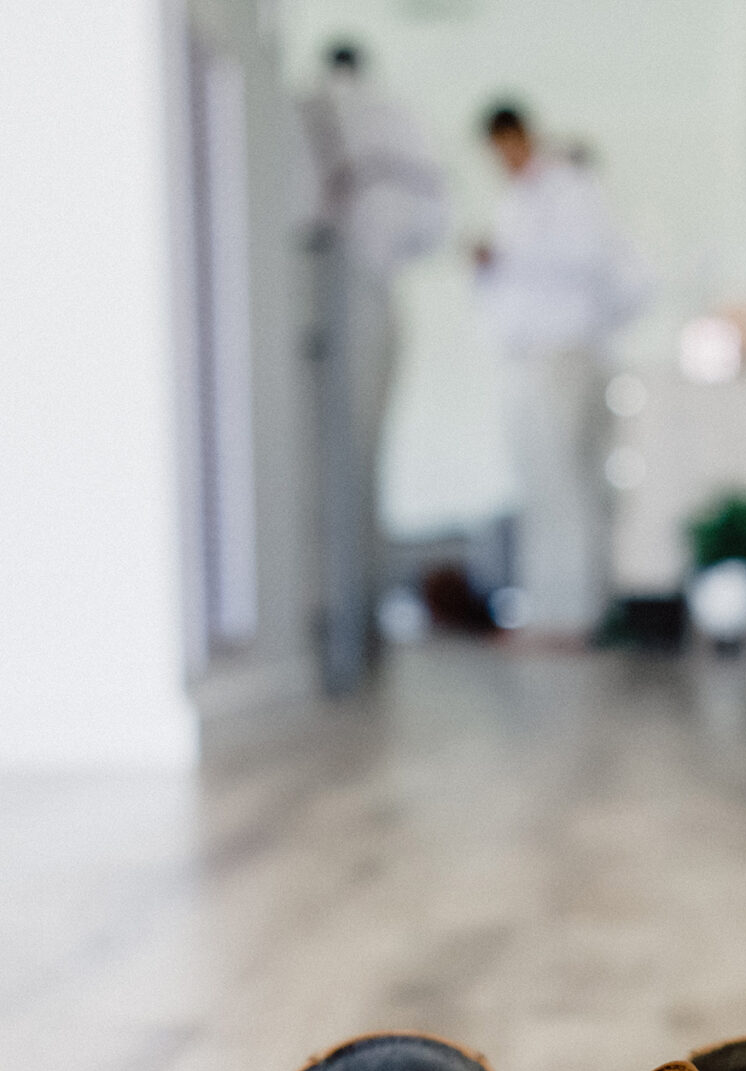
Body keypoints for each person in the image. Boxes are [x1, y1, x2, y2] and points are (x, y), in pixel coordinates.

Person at [297, 43, 448, 690]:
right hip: (369, 286)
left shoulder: (304, 107)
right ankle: (356, 623)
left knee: (318, 467)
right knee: (360, 461)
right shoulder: (396, 116)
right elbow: (433, 222)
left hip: (312, 277)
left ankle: (334, 617)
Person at [472, 104, 651, 641]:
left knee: (566, 487)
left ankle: (573, 616)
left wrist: (505, 255)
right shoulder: (520, 198)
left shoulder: (569, 188)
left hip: (564, 353)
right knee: (542, 487)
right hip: (530, 355)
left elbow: (590, 261)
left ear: (521, 135)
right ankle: (550, 612)